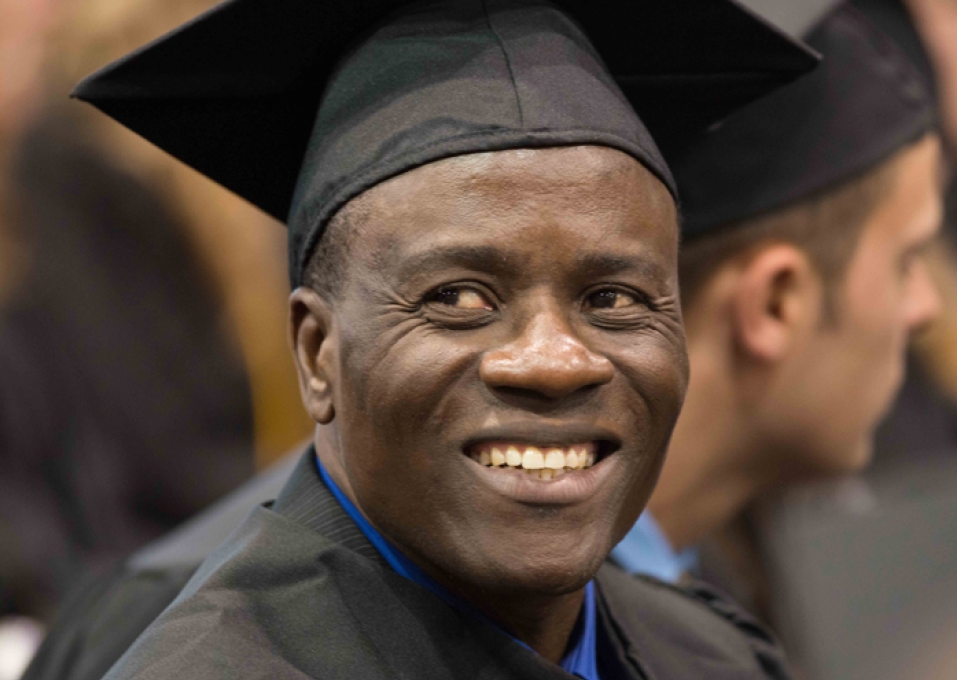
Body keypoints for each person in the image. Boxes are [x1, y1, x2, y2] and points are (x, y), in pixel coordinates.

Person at [52, 0, 817, 678]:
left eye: (611, 299)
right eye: (458, 299)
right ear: (317, 353)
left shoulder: (713, 657)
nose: (555, 360)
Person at [609, 0, 944, 613]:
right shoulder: (537, 632)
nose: (925, 308)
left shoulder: (696, 600)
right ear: (774, 303)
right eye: (905, 261)